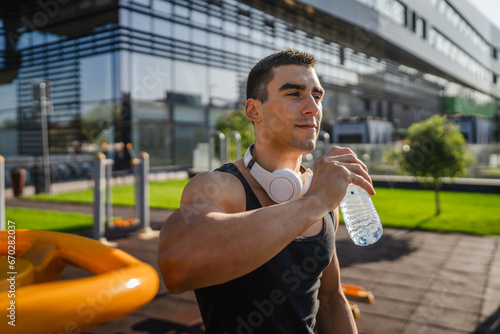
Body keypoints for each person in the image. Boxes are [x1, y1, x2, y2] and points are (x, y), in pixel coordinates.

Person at [157, 49, 375, 333]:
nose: (313, 107)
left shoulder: (320, 197)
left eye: (317, 96)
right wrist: (315, 202)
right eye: (294, 94)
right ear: (254, 110)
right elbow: (176, 268)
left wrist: (317, 200)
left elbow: (331, 299)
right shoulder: (219, 188)